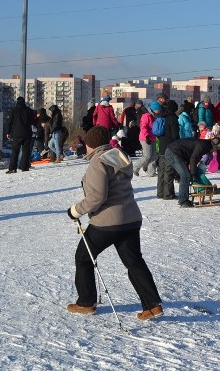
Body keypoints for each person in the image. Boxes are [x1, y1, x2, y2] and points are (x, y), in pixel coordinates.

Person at [65, 126, 163, 320]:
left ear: (90, 144)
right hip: (131, 218)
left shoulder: (97, 162)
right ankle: (152, 305)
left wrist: (75, 210)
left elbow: (96, 197)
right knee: (134, 262)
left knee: (83, 258)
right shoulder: (118, 156)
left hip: (108, 222)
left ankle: (86, 302)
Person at [165, 136, 219, 208]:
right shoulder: (203, 145)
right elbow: (194, 158)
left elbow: (191, 156)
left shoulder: (205, 145)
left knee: (187, 174)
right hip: (173, 152)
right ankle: (183, 201)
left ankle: (184, 198)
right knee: (185, 175)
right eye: (215, 149)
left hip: (176, 153)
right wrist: (193, 173)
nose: (214, 151)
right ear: (213, 146)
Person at [155, 100, 180, 200]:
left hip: (161, 147)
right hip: (170, 148)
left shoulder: (162, 117)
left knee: (161, 171)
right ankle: (168, 194)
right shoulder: (173, 119)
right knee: (169, 171)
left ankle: (160, 192)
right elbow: (175, 135)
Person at [6, 96, 35, 174]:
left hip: (16, 134)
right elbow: (32, 121)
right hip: (27, 133)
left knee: (15, 151)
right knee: (26, 151)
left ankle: (12, 168)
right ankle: (24, 167)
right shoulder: (29, 110)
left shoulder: (14, 111)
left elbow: (10, 122)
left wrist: (8, 132)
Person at [133, 102, 158, 177]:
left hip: (152, 138)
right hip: (145, 138)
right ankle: (135, 167)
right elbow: (143, 127)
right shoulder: (146, 116)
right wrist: (147, 136)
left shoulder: (154, 117)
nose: (158, 111)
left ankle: (151, 172)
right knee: (147, 155)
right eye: (157, 109)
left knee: (154, 155)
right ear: (153, 110)